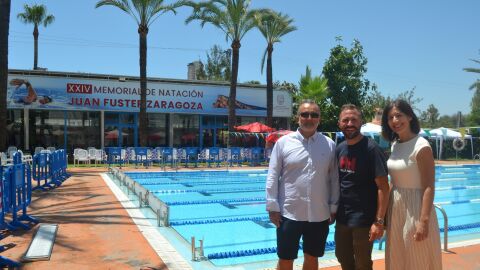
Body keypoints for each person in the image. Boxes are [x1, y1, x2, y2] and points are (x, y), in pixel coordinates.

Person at [266, 100, 339, 270]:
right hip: (288, 213)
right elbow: (272, 175)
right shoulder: (283, 143)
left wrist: (333, 206)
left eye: (314, 115)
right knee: (285, 259)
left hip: (319, 214)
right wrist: (272, 206)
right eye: (305, 114)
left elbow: (334, 178)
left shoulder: (329, 145)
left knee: (312, 258)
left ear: (319, 119)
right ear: (298, 118)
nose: (309, 118)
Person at [381, 99, 442, 270]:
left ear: (409, 117)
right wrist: (385, 215)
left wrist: (424, 221)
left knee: (417, 257)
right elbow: (393, 181)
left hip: (416, 206)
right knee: (398, 256)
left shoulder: (421, 146)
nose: (395, 121)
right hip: (396, 206)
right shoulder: (395, 145)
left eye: (399, 115)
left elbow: (429, 186)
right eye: (390, 117)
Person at [334, 104, 390, 270]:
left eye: (353, 119)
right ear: (339, 124)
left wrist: (379, 222)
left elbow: (383, 187)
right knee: (343, 257)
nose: (349, 123)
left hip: (364, 219)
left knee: (362, 263)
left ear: (361, 123)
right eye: (345, 120)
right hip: (343, 217)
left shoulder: (372, 149)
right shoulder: (340, 149)